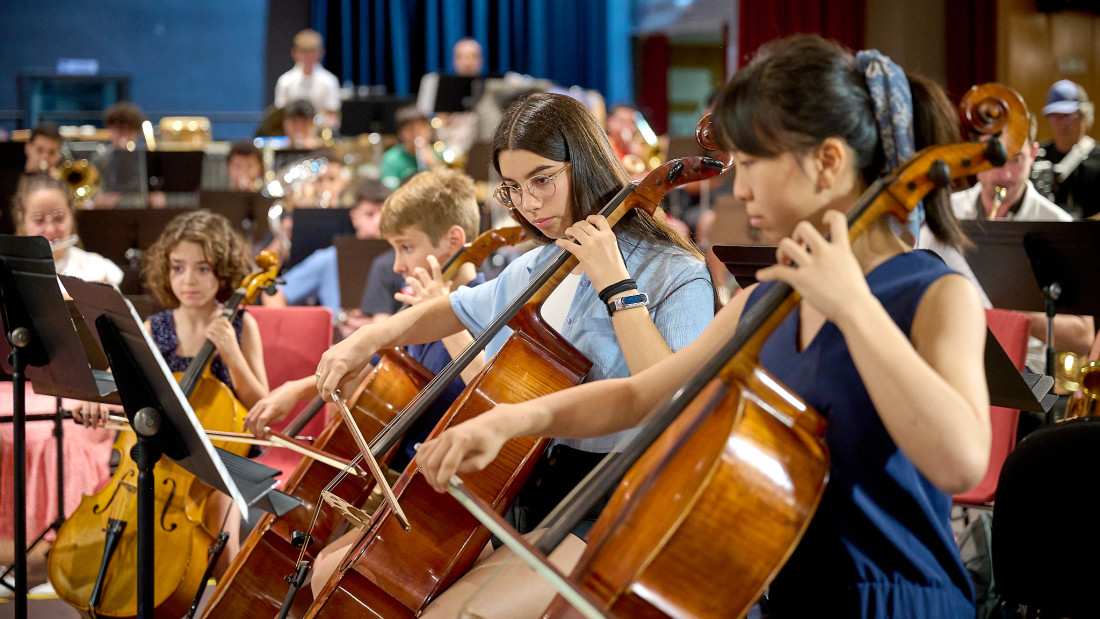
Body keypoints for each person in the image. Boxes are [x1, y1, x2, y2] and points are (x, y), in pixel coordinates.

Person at [416, 36, 990, 618]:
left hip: (897, 602)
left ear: (829, 163)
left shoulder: (934, 294)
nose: (739, 188)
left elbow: (960, 461)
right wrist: (516, 417)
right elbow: (643, 394)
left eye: (757, 163)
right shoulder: (767, 301)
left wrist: (855, 307)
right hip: (787, 596)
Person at [314, 92, 715, 607]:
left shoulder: (676, 272)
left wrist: (616, 285)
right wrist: (365, 339)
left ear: (585, 163)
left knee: (459, 615)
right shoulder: (540, 263)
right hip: (531, 492)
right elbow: (453, 308)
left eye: (542, 180)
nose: (528, 204)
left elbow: (670, 402)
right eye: (513, 189)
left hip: (619, 500)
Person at [243, 169, 487, 596]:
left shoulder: (489, 306)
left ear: (453, 241)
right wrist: (299, 390)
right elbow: (371, 361)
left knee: (329, 574)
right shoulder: (419, 307)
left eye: (406, 247)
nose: (396, 265)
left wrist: (442, 315)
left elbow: (491, 389)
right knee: (311, 565)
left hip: (445, 504)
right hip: (400, 485)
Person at [4, 173, 121, 588]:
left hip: (89, 385)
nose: (51, 229)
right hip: (18, 382)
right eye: (40, 220)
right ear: (20, 222)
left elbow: (115, 353)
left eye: (59, 218)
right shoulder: (7, 271)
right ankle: (11, 550)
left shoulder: (98, 270)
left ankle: (64, 548)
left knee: (55, 432)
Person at [140, 210, 269, 571]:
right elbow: (136, 398)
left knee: (222, 536)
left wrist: (231, 355)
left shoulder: (242, 325)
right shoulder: (156, 328)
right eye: (178, 268)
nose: (188, 280)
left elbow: (263, 406)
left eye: (202, 268)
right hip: (167, 458)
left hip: (222, 461)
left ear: (223, 271)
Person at [262, 178, 390, 314]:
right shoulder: (330, 258)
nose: (378, 222)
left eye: (384, 214)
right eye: (369, 214)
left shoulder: (399, 259)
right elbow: (274, 293)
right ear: (354, 217)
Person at [1032, 79, 1100, 219]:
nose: (1061, 124)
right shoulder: (1037, 155)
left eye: (1067, 116)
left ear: (1084, 116)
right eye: (1054, 116)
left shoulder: (1098, 158)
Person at [274, 29, 341, 127]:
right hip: (292, 135)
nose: (308, 57)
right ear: (294, 53)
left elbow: (332, 116)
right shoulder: (285, 81)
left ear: (321, 53)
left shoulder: (329, 81)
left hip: (319, 136)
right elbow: (280, 114)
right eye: (304, 52)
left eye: (312, 52)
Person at [380, 106, 439, 190]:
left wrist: (434, 165)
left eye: (421, 128)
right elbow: (388, 190)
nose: (416, 133)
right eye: (410, 129)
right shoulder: (391, 158)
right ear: (400, 134)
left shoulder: (438, 154)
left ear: (429, 130)